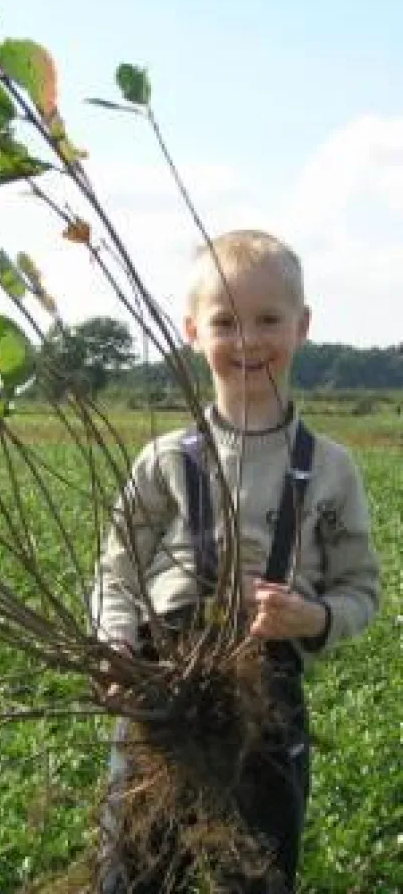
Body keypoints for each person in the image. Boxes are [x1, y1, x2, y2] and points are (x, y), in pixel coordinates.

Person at [93, 229, 381, 892]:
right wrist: (113, 637)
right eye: (226, 322)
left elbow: (361, 591)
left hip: (266, 709)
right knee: (135, 867)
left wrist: (310, 617)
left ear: (303, 326)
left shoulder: (331, 470)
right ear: (192, 330)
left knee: (257, 871)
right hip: (158, 693)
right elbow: (116, 569)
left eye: (268, 320)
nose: (248, 341)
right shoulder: (165, 459)